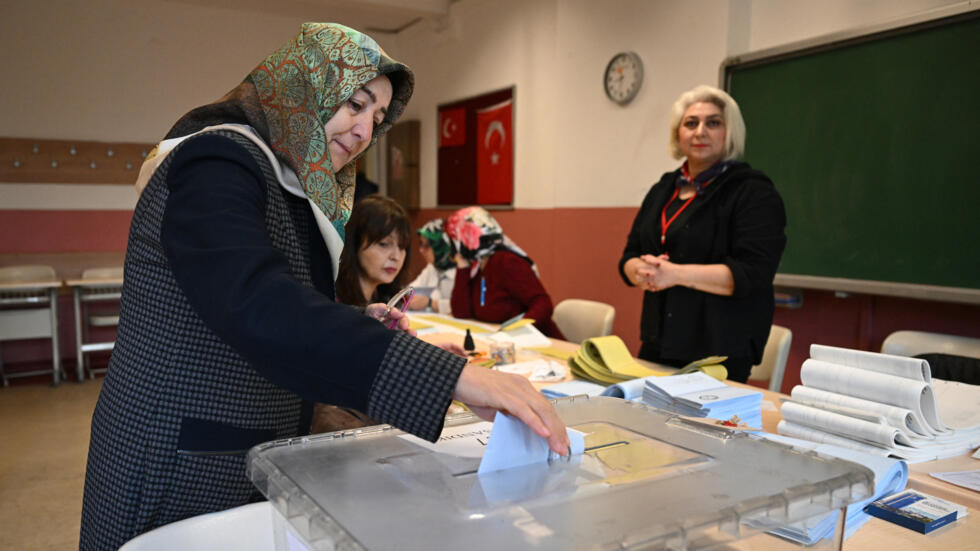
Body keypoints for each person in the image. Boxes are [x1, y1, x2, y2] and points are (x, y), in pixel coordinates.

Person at [80, 23, 568, 550]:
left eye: (377, 118)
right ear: (302, 85)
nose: (364, 132)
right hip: (178, 457)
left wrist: (361, 323)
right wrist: (451, 377)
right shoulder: (217, 162)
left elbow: (283, 305)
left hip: (243, 448)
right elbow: (257, 304)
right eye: (355, 105)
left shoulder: (288, 180)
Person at [618, 84, 786, 383]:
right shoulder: (663, 189)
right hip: (658, 341)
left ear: (729, 132)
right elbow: (629, 256)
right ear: (677, 133)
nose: (700, 132)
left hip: (720, 349)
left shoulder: (753, 191)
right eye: (691, 123)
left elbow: (752, 274)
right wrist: (642, 272)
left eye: (713, 123)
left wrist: (673, 275)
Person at [446, 207, 565, 339]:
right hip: (498, 339)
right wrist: (462, 266)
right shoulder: (477, 266)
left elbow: (543, 303)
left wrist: (518, 330)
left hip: (538, 341)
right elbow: (461, 312)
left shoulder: (506, 262)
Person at [335, 194, 411, 306]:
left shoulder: (384, 298)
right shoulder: (331, 301)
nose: (396, 257)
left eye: (402, 246)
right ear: (355, 243)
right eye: (383, 244)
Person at [406, 218, 457, 314]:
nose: (421, 250)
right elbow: (411, 289)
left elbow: (463, 306)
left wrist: (430, 303)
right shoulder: (432, 268)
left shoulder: (461, 272)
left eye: (427, 246)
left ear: (441, 247)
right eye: (421, 244)